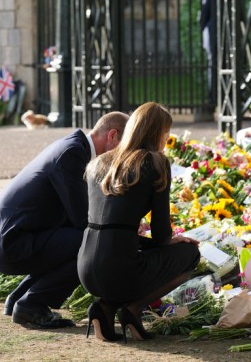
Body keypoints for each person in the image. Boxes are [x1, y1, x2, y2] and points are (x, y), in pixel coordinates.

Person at [0, 112, 130, 329]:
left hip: (10, 237)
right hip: (11, 243)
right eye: (125, 148)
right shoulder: (72, 154)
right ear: (112, 136)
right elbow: (83, 218)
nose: (123, 157)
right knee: (93, 245)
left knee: (78, 240)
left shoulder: (73, 146)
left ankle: (21, 298)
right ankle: (32, 304)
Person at [77, 102, 201, 342]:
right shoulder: (155, 162)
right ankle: (133, 309)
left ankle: (104, 308)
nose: (167, 139)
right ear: (158, 133)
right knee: (190, 254)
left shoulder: (99, 163)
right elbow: (161, 233)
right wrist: (172, 242)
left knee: (121, 259)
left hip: (85, 264)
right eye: (166, 133)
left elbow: (108, 223)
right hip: (118, 266)